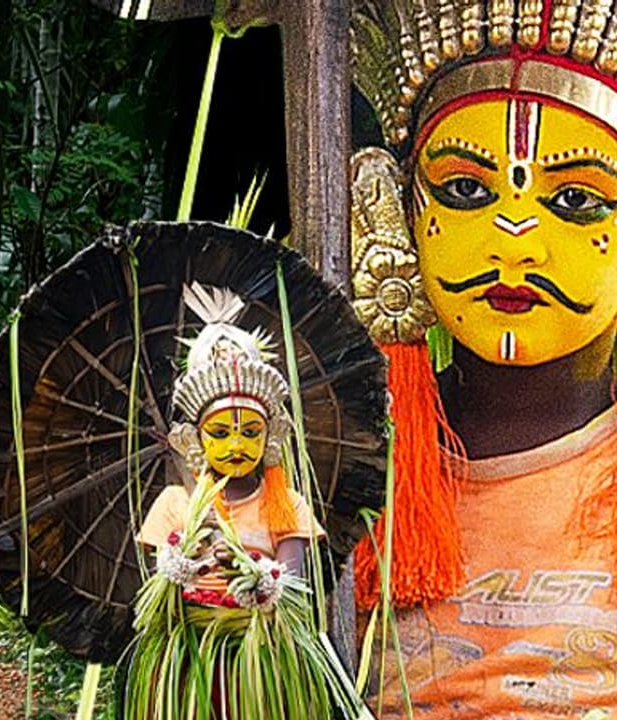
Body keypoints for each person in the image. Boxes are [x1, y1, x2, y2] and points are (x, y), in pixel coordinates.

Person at [350, 2, 617, 716]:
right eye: (466, 189)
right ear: (397, 210)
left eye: (578, 198)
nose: (516, 244)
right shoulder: (339, 452)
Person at [121, 281, 360, 720]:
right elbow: (157, 587)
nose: (236, 445)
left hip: (260, 659)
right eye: (220, 433)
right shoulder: (175, 504)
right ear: (195, 440)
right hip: (189, 664)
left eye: (250, 432)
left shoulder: (287, 505)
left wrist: (259, 578)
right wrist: (179, 566)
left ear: (271, 438)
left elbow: (290, 587)